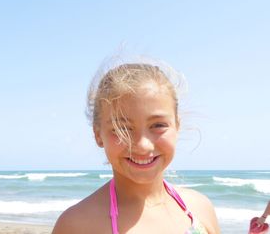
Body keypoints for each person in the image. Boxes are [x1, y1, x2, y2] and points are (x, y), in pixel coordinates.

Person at [52, 57, 220, 234]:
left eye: (158, 125)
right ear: (98, 135)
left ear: (177, 126)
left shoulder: (200, 209)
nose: (142, 145)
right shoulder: (77, 225)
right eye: (122, 129)